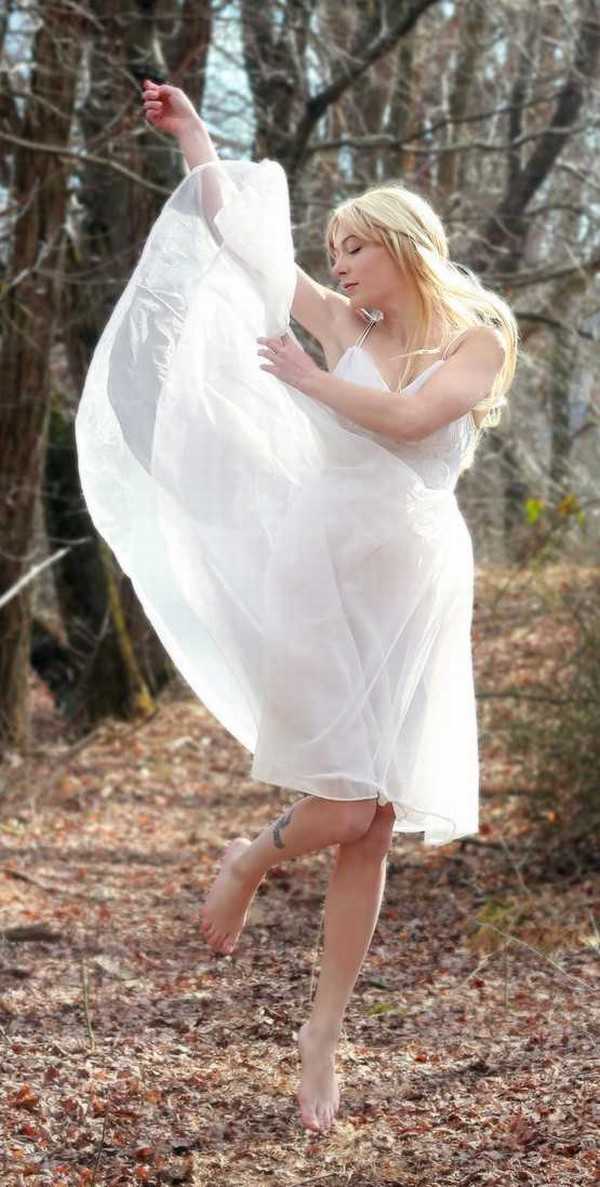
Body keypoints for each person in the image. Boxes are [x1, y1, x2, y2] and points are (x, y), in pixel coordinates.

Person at [76, 80, 518, 1136]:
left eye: (354, 248)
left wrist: (309, 382)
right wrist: (195, 137)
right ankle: (253, 853)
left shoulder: (476, 342)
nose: (340, 266)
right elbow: (243, 240)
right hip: (324, 562)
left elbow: (412, 421)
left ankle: (324, 1029)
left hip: (417, 577)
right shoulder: (339, 322)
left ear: (402, 247)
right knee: (344, 802)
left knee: (377, 820)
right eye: (334, 251)